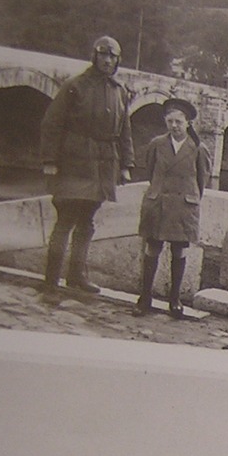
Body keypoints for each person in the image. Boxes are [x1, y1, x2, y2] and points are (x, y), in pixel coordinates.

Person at [39, 35, 133, 295]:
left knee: (87, 221)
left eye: (113, 57)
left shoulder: (119, 91)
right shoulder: (75, 86)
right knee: (65, 219)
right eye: (103, 55)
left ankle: (77, 276)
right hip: (74, 162)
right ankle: (51, 278)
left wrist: (126, 164)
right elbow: (52, 124)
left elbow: (125, 130)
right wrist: (50, 161)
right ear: (95, 57)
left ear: (117, 61)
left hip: (103, 165)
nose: (107, 61)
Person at [136, 97, 210, 318]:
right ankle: (144, 297)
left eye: (178, 122)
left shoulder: (198, 148)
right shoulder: (157, 144)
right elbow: (149, 172)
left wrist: (189, 200)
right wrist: (158, 191)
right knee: (152, 249)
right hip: (158, 204)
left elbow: (201, 181)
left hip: (183, 209)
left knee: (179, 251)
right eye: (170, 122)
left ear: (188, 122)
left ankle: (175, 299)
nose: (174, 126)